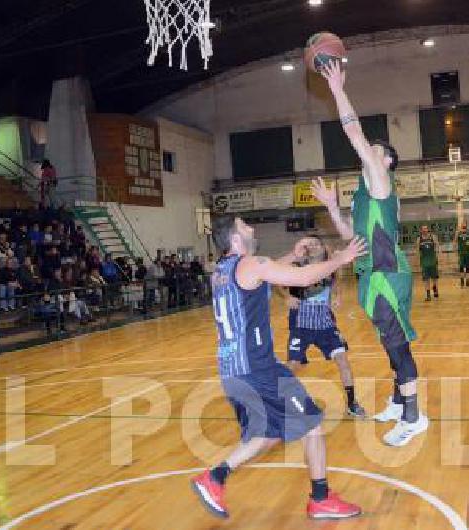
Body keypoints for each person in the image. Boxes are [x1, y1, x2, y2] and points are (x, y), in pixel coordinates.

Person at [190, 215, 365, 520]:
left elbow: (260, 273)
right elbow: (303, 279)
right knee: (311, 423)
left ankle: (215, 478)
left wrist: (291, 256)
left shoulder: (221, 270)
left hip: (233, 371)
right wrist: (341, 258)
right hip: (259, 370)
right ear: (234, 239)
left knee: (267, 433)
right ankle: (320, 499)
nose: (252, 229)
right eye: (245, 227)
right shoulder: (251, 264)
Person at [311, 60, 428, 447]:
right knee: (388, 341)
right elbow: (352, 238)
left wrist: (338, 90)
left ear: (386, 162)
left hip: (387, 276)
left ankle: (413, 416)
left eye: (375, 151)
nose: (367, 153)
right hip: (372, 275)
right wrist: (331, 207)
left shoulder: (381, 180)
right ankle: (399, 401)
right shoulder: (366, 197)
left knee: (397, 344)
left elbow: (355, 134)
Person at [284, 236, 365, 418]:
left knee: (343, 360)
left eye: (316, 243)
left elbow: (336, 282)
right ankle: (284, 405)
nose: (312, 246)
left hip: (325, 325)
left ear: (323, 248)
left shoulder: (330, 268)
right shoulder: (296, 268)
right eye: (309, 244)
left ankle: (352, 403)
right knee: (291, 367)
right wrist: (286, 297)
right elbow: (271, 281)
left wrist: (336, 295)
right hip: (301, 326)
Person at [418, 224, 440, 301]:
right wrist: (418, 261)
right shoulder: (419, 239)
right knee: (426, 279)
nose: (424, 230)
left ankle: (435, 289)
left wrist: (438, 254)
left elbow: (437, 246)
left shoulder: (433, 237)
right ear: (421, 230)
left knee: (435, 278)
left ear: (428, 229)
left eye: (426, 228)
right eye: (423, 229)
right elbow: (417, 251)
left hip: (433, 261)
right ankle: (428, 295)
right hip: (424, 262)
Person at [456, 222, 469, 288]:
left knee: (467, 268)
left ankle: (467, 281)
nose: (463, 225)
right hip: (461, 253)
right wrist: (455, 248)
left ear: (466, 225)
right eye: (462, 224)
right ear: (461, 225)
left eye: (465, 224)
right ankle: (462, 281)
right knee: (461, 267)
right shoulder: (458, 232)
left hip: (467, 253)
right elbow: (455, 241)